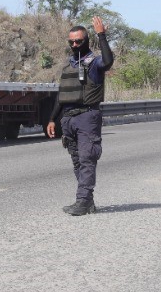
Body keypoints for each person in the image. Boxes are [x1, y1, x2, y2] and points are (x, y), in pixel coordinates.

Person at [46, 16, 114, 215]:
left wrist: (101, 35)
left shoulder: (94, 63)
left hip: (87, 117)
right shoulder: (69, 66)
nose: (75, 45)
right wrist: (52, 119)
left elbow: (108, 61)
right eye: (71, 42)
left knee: (87, 159)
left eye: (79, 41)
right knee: (77, 160)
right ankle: (88, 202)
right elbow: (61, 96)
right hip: (68, 119)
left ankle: (82, 201)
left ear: (87, 41)